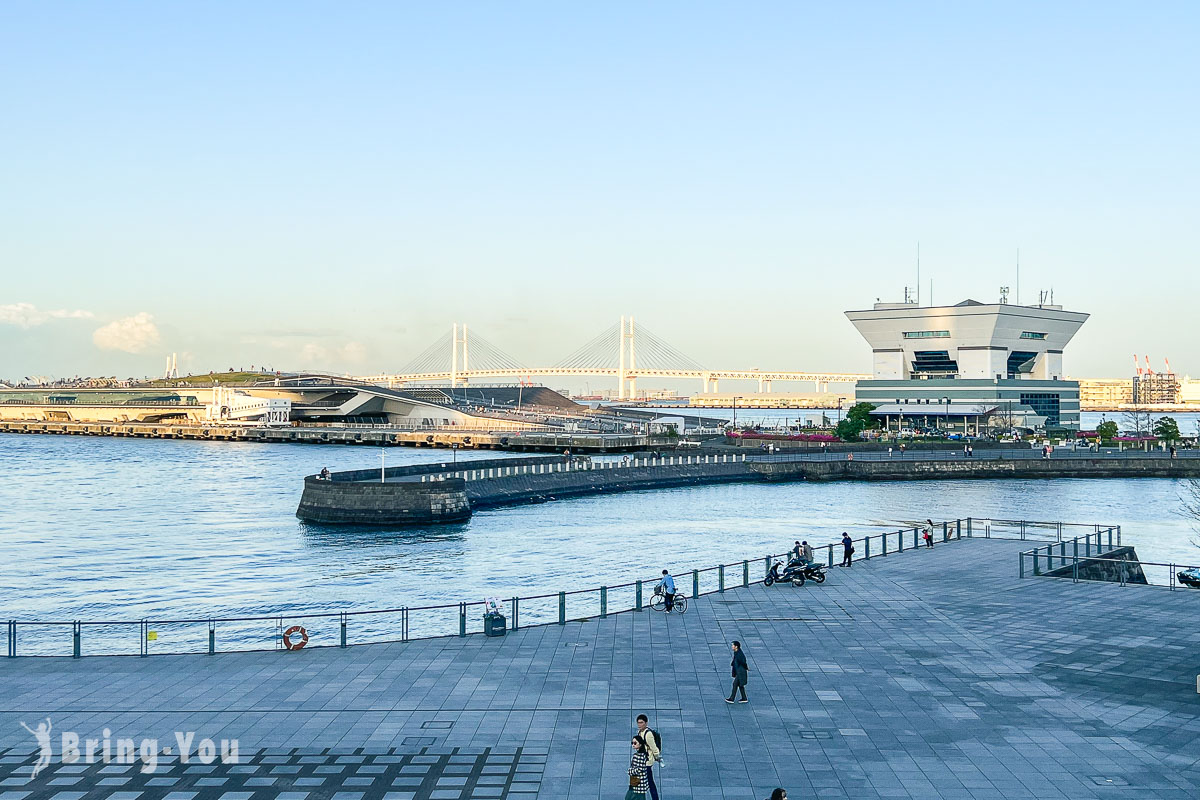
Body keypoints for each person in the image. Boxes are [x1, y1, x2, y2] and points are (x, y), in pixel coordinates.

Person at [635, 714, 661, 800]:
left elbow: (654, 748)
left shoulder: (648, 734)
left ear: (646, 723)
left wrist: (658, 757)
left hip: (646, 762)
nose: (639, 725)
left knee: (649, 782)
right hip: (641, 760)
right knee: (640, 781)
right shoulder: (640, 732)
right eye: (638, 723)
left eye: (641, 723)